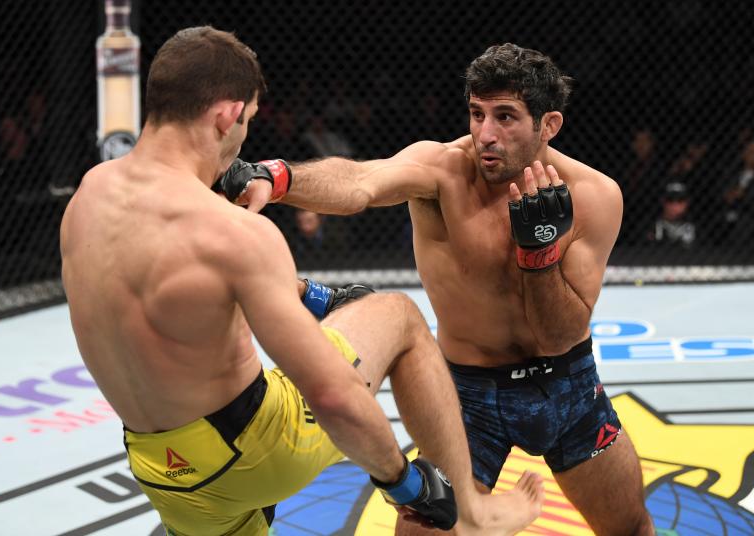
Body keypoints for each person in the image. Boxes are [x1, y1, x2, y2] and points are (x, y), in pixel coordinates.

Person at [59, 27, 542, 536]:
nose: (241, 137)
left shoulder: (88, 198)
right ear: (226, 115)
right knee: (398, 316)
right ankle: (472, 514)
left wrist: (311, 296)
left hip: (163, 471)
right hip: (255, 448)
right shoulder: (235, 233)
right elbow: (332, 397)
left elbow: (183, 302)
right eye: (245, 121)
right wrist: (403, 481)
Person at [220, 43, 654, 535]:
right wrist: (276, 176)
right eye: (477, 114)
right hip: (468, 397)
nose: (486, 135)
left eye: (506, 117)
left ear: (548, 125)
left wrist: (539, 256)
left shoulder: (594, 196)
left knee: (632, 528)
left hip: (567, 387)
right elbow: (362, 180)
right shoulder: (443, 171)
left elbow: (559, 334)